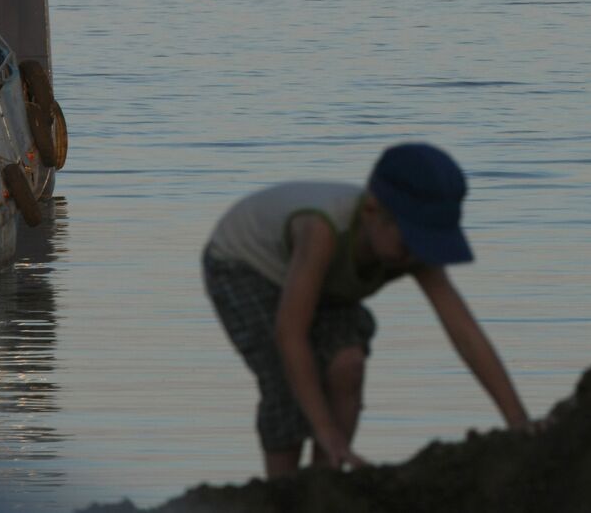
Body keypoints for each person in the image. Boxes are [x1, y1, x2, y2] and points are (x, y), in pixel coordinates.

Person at [202, 143, 532, 478]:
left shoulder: (409, 247)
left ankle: (325, 475)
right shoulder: (323, 231)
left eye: (428, 244)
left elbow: (464, 332)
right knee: (285, 386)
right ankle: (279, 492)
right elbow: (290, 334)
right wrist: (323, 428)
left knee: (348, 364)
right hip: (245, 266)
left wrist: (518, 420)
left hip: (320, 281)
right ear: (371, 212)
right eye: (410, 243)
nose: (415, 256)